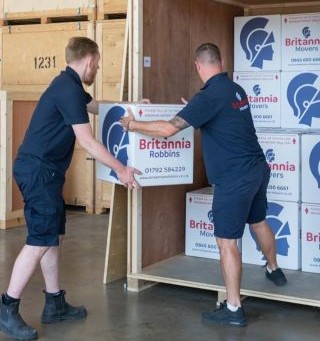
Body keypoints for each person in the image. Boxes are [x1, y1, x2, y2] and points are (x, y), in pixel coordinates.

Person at [120, 43, 287, 327]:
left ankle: (234, 308)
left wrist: (132, 125)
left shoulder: (208, 96)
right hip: (258, 169)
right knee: (258, 221)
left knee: (226, 243)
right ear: (219, 62)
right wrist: (194, 110)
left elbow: (167, 130)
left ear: (198, 66)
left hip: (234, 179)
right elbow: (223, 119)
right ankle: (274, 269)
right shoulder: (235, 90)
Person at [0, 37, 141, 341]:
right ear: (89, 60)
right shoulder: (67, 89)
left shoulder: (71, 87)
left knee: (52, 236)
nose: (100, 66)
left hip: (45, 172)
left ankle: (54, 303)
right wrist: (121, 168)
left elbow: (97, 107)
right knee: (39, 239)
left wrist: (131, 110)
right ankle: (7, 308)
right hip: (39, 171)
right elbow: (87, 141)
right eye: (98, 61)